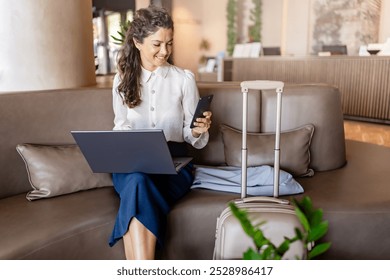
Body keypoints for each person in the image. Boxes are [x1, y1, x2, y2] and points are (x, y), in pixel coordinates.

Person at [109, 5, 212, 260]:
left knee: (137, 186)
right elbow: (121, 125)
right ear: (137, 42)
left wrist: (199, 131)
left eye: (169, 43)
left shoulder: (183, 79)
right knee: (137, 179)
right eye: (157, 44)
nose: (164, 51)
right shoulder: (122, 78)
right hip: (132, 163)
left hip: (172, 165)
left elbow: (192, 138)